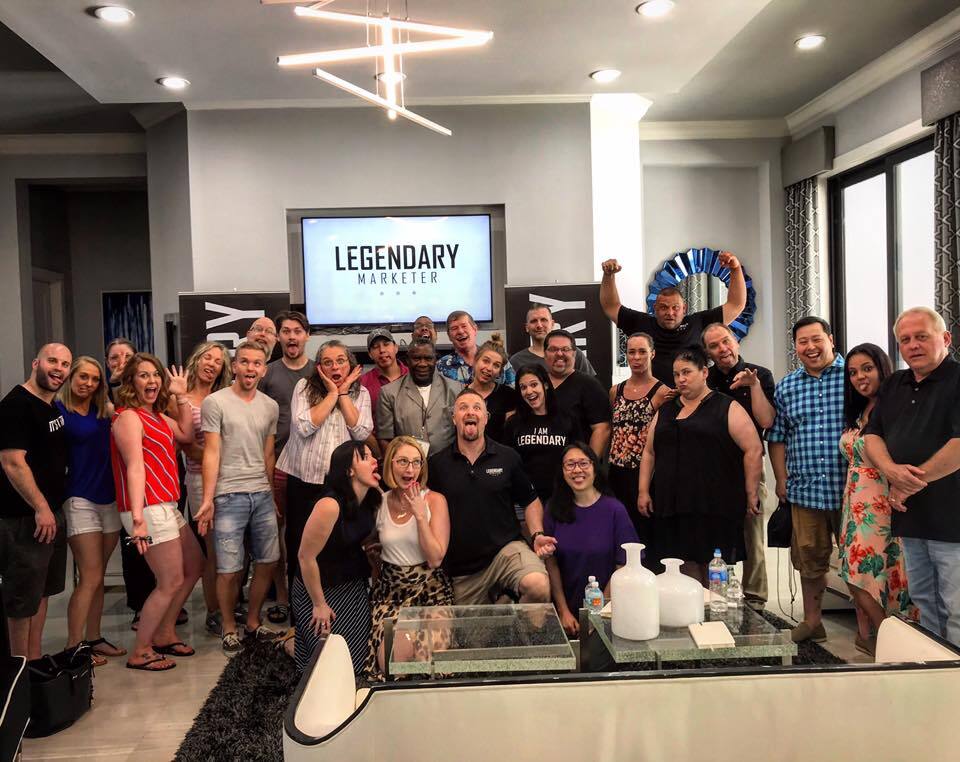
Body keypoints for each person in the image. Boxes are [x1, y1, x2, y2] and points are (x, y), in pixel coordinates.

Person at [864, 307, 960, 646]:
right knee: (923, 602)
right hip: (911, 517)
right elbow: (872, 435)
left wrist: (907, 484)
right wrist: (891, 470)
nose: (913, 345)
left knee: (957, 607)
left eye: (922, 337)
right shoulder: (895, 384)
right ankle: (934, 668)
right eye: (905, 340)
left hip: (953, 519)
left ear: (945, 338)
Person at [110, 353, 204, 670]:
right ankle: (141, 650)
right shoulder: (128, 417)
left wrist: (181, 396)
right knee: (169, 581)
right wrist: (137, 519)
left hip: (165, 505)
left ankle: (164, 633)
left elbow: (186, 435)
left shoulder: (157, 416)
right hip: (148, 508)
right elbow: (135, 468)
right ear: (131, 382)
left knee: (195, 565)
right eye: (143, 375)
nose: (151, 381)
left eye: (155, 375)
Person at [638, 347, 763, 584]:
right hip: (672, 502)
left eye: (686, 372)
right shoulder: (666, 409)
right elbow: (649, 452)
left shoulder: (726, 406)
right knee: (682, 564)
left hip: (713, 502)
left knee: (713, 566)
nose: (680, 379)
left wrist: (751, 492)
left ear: (704, 372)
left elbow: (754, 449)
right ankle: (693, 606)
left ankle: (714, 607)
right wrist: (643, 490)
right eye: (676, 374)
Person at [427, 388, 553, 605]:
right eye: (463, 408)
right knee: (471, 628)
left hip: (506, 552)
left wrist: (537, 534)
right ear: (454, 418)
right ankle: (503, 602)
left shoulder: (507, 457)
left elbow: (530, 500)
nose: (470, 412)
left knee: (538, 585)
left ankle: (509, 601)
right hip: (462, 570)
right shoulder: (437, 464)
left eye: (477, 408)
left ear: (486, 418)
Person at [195, 341, 281, 655]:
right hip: (228, 494)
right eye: (244, 362)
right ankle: (229, 627)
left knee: (268, 561)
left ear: (264, 370)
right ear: (234, 366)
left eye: (256, 363)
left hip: (261, 494)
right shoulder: (215, 402)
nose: (250, 368)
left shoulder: (270, 406)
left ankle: (253, 622)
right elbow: (211, 452)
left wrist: (271, 495)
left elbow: (268, 454)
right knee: (229, 569)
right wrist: (208, 499)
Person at [277, 340, 372, 611]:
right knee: (300, 546)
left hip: (342, 486)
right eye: (328, 362)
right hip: (304, 481)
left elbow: (361, 432)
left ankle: (337, 604)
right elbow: (305, 427)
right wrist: (333, 394)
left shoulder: (361, 392)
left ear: (350, 364)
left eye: (341, 361)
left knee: (338, 546)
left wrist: (344, 394)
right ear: (319, 368)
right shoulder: (304, 387)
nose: (335, 367)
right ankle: (301, 610)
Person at [768, 316, 846, 643]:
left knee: (861, 562)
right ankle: (813, 622)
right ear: (796, 347)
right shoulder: (787, 386)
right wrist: (781, 480)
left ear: (831, 340)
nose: (810, 347)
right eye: (803, 342)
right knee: (809, 560)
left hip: (852, 491)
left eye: (817, 339)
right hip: (805, 490)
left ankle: (872, 629)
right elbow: (777, 438)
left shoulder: (853, 377)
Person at [838, 343, 917, 656]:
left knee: (870, 571)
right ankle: (878, 635)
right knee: (855, 571)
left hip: (884, 503)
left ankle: (891, 639)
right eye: (853, 372)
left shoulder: (896, 407)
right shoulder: (860, 410)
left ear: (883, 368)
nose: (860, 377)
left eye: (867, 369)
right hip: (855, 504)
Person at [0, 343, 72, 659]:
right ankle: (19, 671)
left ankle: (34, 660)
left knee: (42, 592)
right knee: (22, 600)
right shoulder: (16, 405)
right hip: (24, 518)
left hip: (50, 514)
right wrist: (41, 507)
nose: (59, 369)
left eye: (65, 364)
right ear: (35, 363)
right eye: (52, 361)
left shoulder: (51, 406)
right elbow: (12, 462)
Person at [365, 436, 453, 680]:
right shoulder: (380, 502)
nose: (410, 469)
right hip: (392, 594)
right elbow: (371, 545)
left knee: (430, 665)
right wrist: (374, 559)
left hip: (431, 592)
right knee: (392, 665)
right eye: (403, 461)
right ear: (390, 464)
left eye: (416, 462)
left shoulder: (435, 501)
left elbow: (435, 559)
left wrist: (420, 516)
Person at [56, 356, 125, 666]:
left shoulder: (104, 411)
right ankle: (74, 647)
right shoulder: (59, 411)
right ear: (71, 377)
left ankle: (94, 638)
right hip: (79, 498)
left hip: (109, 498)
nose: (88, 383)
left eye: (95, 379)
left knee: (98, 575)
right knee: (91, 575)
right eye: (83, 377)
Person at [702, 322, 775, 610]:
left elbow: (766, 421)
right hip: (713, 468)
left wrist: (753, 386)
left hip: (751, 466)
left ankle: (756, 600)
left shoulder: (760, 375)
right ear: (708, 353)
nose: (722, 349)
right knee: (716, 536)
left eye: (725, 341)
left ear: (736, 341)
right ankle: (719, 597)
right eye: (714, 346)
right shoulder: (705, 380)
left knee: (752, 535)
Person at [294, 441, 380, 674]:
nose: (374, 461)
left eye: (373, 456)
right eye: (365, 457)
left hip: (351, 583)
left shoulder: (371, 498)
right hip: (318, 587)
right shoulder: (329, 505)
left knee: (358, 661)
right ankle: (289, 642)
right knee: (328, 664)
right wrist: (319, 604)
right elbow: (305, 557)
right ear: (349, 470)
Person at [599, 253, 747, 385]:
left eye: (675, 308)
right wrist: (608, 276)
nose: (670, 313)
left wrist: (735, 269)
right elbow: (610, 306)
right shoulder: (641, 323)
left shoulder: (699, 322)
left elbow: (736, 304)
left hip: (695, 398)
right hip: (654, 398)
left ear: (684, 309)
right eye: (664, 307)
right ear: (655, 308)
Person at [544, 443, 638, 637]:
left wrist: (598, 614)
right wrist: (563, 611)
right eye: (570, 464)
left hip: (610, 614)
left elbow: (623, 566)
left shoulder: (615, 510)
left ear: (595, 467)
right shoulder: (553, 509)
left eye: (583, 463)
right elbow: (550, 563)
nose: (577, 470)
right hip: (566, 616)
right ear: (562, 471)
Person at [259, 310, 314, 624]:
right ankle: (283, 597)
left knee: (309, 532)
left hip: (311, 466)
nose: (292, 337)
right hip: (278, 462)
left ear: (307, 336)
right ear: (278, 337)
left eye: (297, 331)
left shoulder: (318, 371)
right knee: (278, 535)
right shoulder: (268, 373)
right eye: (286, 331)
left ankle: (311, 594)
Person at [180, 341, 232, 635]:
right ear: (197, 360)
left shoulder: (224, 397)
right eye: (207, 358)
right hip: (200, 480)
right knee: (213, 550)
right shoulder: (182, 399)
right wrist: (218, 457)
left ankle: (227, 606)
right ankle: (214, 611)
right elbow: (187, 446)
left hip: (229, 479)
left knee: (229, 549)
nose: (211, 364)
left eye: (218, 361)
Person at [608, 333, 671, 553]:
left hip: (645, 472)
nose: (636, 357)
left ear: (652, 354)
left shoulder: (663, 392)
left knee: (646, 531)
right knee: (621, 531)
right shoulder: (616, 391)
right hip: (617, 472)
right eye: (632, 352)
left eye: (642, 352)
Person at [503, 365, 579, 507]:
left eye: (534, 385)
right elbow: (507, 463)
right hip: (525, 499)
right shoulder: (513, 424)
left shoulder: (567, 418)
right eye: (523, 387)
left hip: (561, 496)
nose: (529, 391)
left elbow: (578, 456)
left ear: (545, 385)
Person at [377, 338, 462, 456]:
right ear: (408, 360)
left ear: (435, 360)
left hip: (448, 462)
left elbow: (462, 432)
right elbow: (385, 439)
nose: (422, 364)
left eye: (428, 358)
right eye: (416, 358)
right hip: (409, 464)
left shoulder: (456, 389)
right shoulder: (389, 393)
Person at [544, 330, 611, 457]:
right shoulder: (537, 384)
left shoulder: (590, 385)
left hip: (575, 464)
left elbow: (602, 429)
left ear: (574, 353)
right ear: (545, 354)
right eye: (553, 349)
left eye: (565, 349)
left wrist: (590, 462)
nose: (559, 354)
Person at [508, 303, 596, 377]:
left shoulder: (573, 354)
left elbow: (591, 386)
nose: (539, 325)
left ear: (552, 324)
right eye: (534, 321)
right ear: (527, 327)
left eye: (544, 320)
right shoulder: (516, 361)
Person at [438, 310, 516, 387]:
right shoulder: (441, 366)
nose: (460, 331)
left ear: (475, 329)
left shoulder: (497, 358)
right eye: (454, 328)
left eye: (464, 326)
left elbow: (514, 389)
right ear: (449, 336)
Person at [465, 336, 516, 442]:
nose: (489, 368)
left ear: (500, 372)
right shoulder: (461, 394)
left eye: (496, 365)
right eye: (486, 361)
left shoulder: (509, 396)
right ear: (475, 361)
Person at [361, 329, 408, 429]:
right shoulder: (363, 383)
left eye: (386, 344)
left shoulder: (412, 375)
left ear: (396, 348)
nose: (382, 350)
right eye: (375, 347)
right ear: (370, 354)